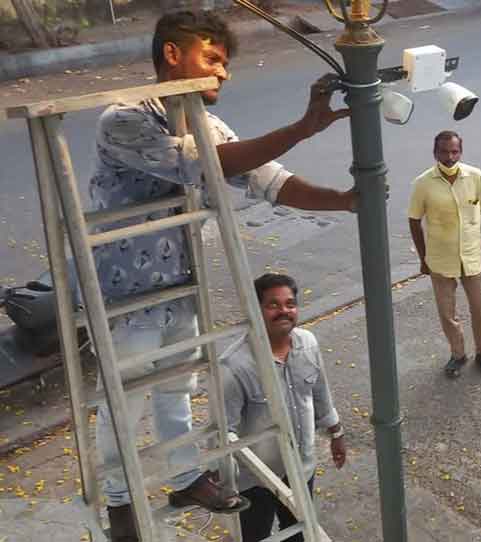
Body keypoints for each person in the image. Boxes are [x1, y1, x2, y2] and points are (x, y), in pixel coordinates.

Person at [91, 11, 355, 541]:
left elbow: (264, 178)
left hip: (181, 286)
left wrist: (346, 202)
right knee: (126, 397)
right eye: (213, 60)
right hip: (127, 294)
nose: (224, 74)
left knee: (179, 386)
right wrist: (302, 128)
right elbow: (207, 164)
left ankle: (186, 475)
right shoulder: (123, 119)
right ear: (173, 54)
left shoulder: (203, 121)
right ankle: (119, 501)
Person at [221, 273, 345, 542]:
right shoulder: (234, 366)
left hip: (301, 469)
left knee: (298, 533)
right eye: (273, 305)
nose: (284, 311)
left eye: (289, 304)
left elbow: (321, 394)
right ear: (255, 310)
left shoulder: (308, 344)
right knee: (255, 536)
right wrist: (224, 483)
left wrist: (336, 434)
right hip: (256, 481)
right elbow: (224, 433)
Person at [408, 130, 481, 378]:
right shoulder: (423, 183)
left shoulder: (476, 176)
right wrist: (423, 258)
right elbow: (414, 220)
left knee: (480, 309)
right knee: (447, 313)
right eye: (444, 152)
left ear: (461, 151)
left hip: (472, 257)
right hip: (440, 259)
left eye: (454, 151)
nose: (449, 157)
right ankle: (458, 354)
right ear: (435, 153)